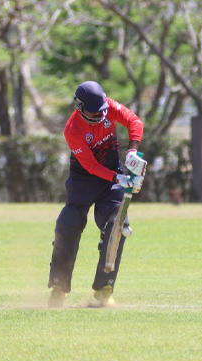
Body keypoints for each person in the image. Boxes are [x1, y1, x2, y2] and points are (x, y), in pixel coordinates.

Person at [48, 81, 146, 308]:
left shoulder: (108, 106)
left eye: (101, 110)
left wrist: (132, 150)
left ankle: (104, 290)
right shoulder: (72, 129)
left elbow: (135, 121)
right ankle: (59, 288)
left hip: (111, 177)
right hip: (84, 178)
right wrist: (118, 178)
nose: (100, 115)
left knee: (117, 225)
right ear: (80, 107)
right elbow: (91, 166)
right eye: (93, 112)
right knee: (68, 224)